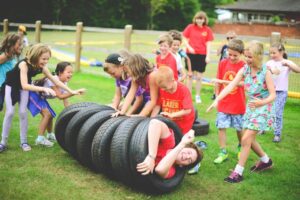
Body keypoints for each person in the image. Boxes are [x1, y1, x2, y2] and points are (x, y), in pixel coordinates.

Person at [207, 41, 276, 183]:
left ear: (258, 56)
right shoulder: (245, 69)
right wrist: (216, 100)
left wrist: (261, 102)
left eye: (251, 57)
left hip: (263, 108)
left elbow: (273, 95)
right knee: (249, 138)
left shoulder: (266, 72)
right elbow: (230, 85)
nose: (248, 60)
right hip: (252, 108)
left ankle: (238, 173)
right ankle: (266, 161)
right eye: (246, 56)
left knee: (245, 139)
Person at [0, 44, 83, 152]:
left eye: (47, 59)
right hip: (11, 86)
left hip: (25, 88)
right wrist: (43, 89)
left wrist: (72, 91)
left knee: (23, 113)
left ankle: (24, 142)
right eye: (43, 58)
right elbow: (24, 85)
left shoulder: (43, 67)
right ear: (36, 55)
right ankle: (3, 143)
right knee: (10, 112)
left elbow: (56, 81)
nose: (45, 61)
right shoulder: (24, 64)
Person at [150, 66, 200, 174]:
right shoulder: (163, 89)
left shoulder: (183, 90)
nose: (164, 90)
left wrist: (172, 115)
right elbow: (158, 105)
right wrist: (151, 119)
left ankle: (195, 162)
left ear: (173, 80)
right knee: (169, 142)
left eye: (166, 88)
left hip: (183, 123)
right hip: (170, 121)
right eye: (162, 88)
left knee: (184, 143)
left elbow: (187, 110)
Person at [27, 62, 85, 147]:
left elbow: (66, 102)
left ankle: (50, 135)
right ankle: (40, 139)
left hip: (40, 97)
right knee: (47, 114)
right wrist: (74, 92)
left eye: (72, 72)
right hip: (32, 93)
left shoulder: (64, 83)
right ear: (60, 73)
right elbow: (60, 96)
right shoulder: (53, 79)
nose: (71, 74)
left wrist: (72, 114)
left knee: (51, 115)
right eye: (68, 72)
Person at [212, 39, 246, 164]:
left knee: (239, 128)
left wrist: (226, 83)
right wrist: (217, 97)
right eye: (229, 54)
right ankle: (222, 152)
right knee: (221, 127)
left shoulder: (244, 66)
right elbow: (218, 80)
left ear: (241, 53)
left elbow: (244, 84)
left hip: (238, 103)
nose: (231, 57)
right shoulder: (222, 63)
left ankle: (241, 147)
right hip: (224, 102)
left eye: (235, 55)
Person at [136, 121, 202, 179]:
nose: (187, 157)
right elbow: (155, 123)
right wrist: (151, 156)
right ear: (185, 147)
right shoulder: (169, 143)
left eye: (189, 160)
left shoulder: (171, 170)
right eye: (189, 152)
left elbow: (159, 170)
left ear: (182, 165)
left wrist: (181, 145)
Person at [266, 43, 300, 142]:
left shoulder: (287, 62)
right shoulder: (269, 63)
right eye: (270, 53)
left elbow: (298, 70)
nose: (272, 55)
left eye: (274, 53)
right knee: (266, 110)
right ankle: (263, 128)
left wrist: (289, 65)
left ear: (281, 52)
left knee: (277, 112)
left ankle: (277, 134)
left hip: (281, 92)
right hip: (269, 90)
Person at [183, 11, 214, 103]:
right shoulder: (190, 27)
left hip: (202, 55)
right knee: (189, 76)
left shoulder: (207, 30)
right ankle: (188, 96)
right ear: (195, 19)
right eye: (198, 18)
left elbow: (209, 43)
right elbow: (184, 38)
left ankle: (197, 95)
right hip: (190, 54)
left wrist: (208, 56)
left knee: (199, 77)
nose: (199, 20)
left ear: (204, 20)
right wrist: (189, 47)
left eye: (201, 19)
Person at [0, 33, 22, 111]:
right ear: (12, 44)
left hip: (6, 85)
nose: (20, 46)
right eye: (18, 44)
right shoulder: (5, 56)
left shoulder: (12, 56)